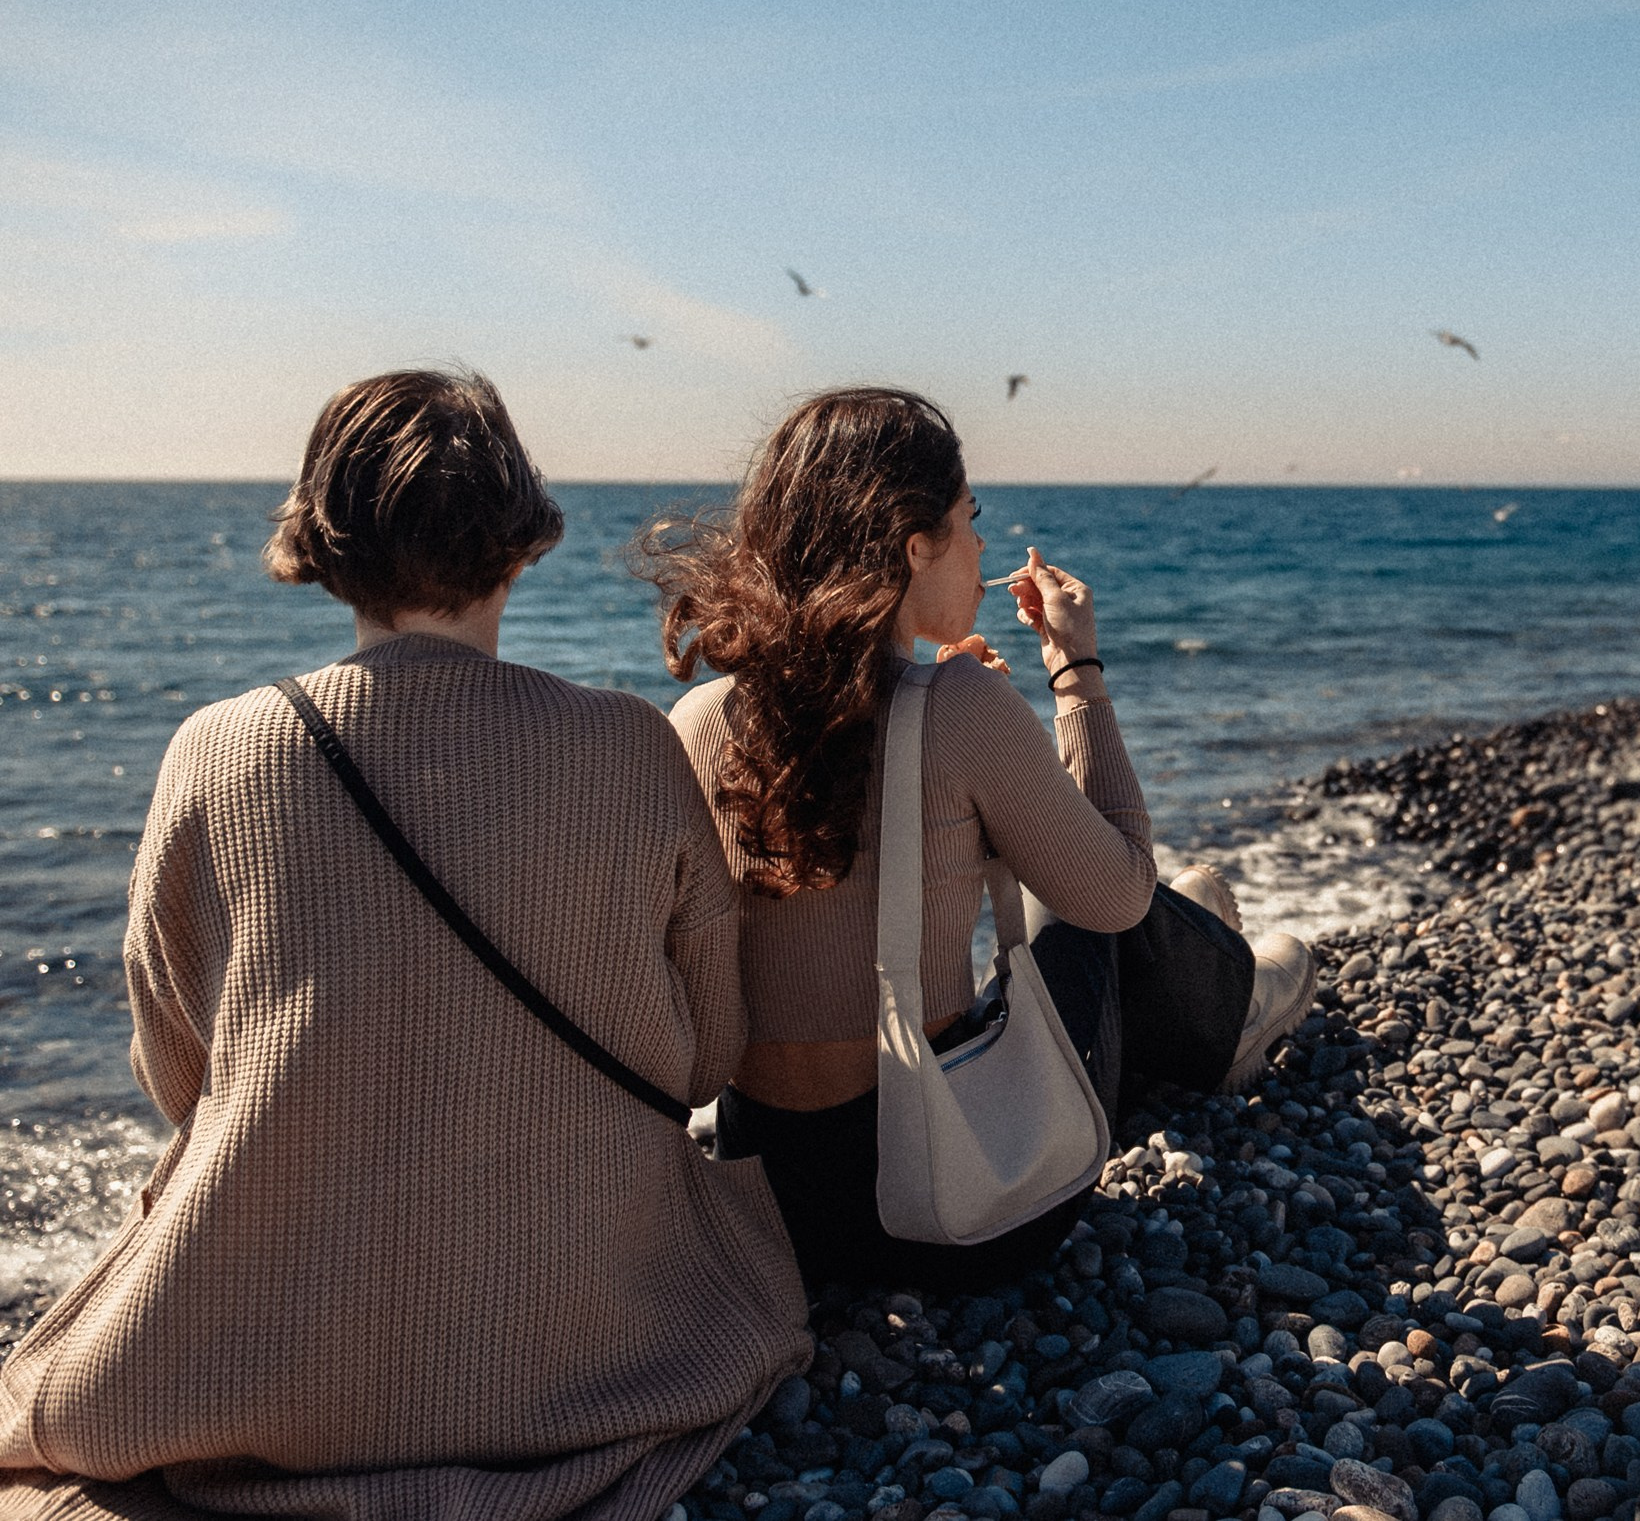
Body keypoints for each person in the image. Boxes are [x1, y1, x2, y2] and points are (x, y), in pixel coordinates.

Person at [0, 371, 810, 1521]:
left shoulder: (214, 750)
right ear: (521, 540)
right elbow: (705, 1060)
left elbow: (181, 1075)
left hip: (284, 1357)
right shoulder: (633, 744)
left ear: (323, 545)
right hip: (586, 1326)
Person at [645, 387, 1314, 1290]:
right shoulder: (960, 706)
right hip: (960, 1205)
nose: (983, 549)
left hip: (780, 1211)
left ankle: (1205, 952)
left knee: (1069, 879)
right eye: (971, 520)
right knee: (1102, 912)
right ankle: (1233, 1004)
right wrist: (1075, 673)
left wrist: (958, 728)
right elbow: (1116, 891)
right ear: (914, 545)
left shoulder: (696, 718)